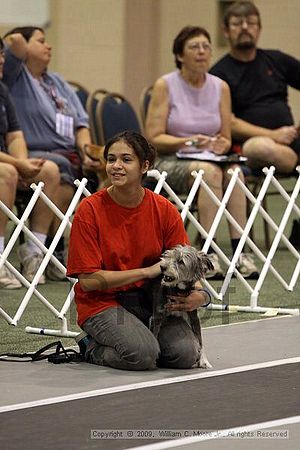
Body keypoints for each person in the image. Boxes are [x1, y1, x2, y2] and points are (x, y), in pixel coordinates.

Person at [67, 130, 211, 370]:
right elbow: (89, 282)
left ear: (145, 166)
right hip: (103, 303)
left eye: (126, 159)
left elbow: (188, 264)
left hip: (152, 301)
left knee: (185, 355)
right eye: (111, 159)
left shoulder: (164, 210)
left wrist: (200, 295)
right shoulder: (89, 210)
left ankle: (140, 337)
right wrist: (146, 272)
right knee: (142, 354)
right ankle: (90, 346)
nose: (116, 166)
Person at [145, 25, 258, 279]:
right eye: (194, 47)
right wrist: (188, 141)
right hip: (170, 161)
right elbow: (153, 138)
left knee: (236, 172)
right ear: (180, 55)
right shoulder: (166, 85)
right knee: (208, 173)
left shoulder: (221, 87)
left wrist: (221, 144)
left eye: (206, 46)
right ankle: (208, 254)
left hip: (211, 159)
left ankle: (242, 252)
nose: (202, 52)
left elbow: (227, 137)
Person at [2, 27, 101, 280]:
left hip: (67, 154)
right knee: (60, 167)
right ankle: (53, 250)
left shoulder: (56, 80)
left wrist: (87, 150)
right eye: (41, 41)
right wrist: (21, 41)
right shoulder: (15, 74)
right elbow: (12, 41)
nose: (49, 47)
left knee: (93, 167)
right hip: (39, 151)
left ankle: (62, 249)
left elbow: (81, 122)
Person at [210, 1, 300, 248]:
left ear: (259, 28)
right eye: (238, 24)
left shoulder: (276, 59)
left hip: (291, 139)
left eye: (251, 23)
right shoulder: (219, 73)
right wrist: (273, 134)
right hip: (249, 148)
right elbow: (227, 121)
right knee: (260, 146)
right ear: (226, 31)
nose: (245, 28)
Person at [0, 37, 60, 288]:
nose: (3, 60)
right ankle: (0, 256)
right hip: (4, 166)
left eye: (2, 55)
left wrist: (24, 163)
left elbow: (14, 134)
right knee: (7, 173)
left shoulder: (2, 90)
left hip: (8, 160)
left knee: (48, 170)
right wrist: (17, 164)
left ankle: (34, 251)